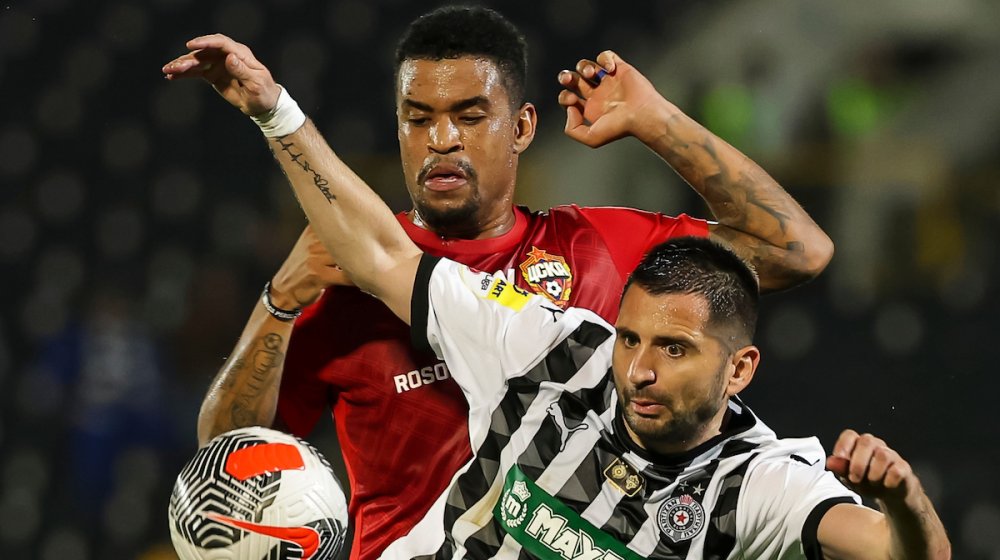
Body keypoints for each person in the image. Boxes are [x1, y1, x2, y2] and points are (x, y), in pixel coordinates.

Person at [162, 39, 950, 556]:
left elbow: (796, 251)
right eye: (419, 119)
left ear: (522, 126)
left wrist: (656, 120)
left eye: (469, 116)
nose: (638, 365)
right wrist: (280, 282)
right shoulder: (549, 344)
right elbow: (228, 453)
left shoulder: (612, 260)